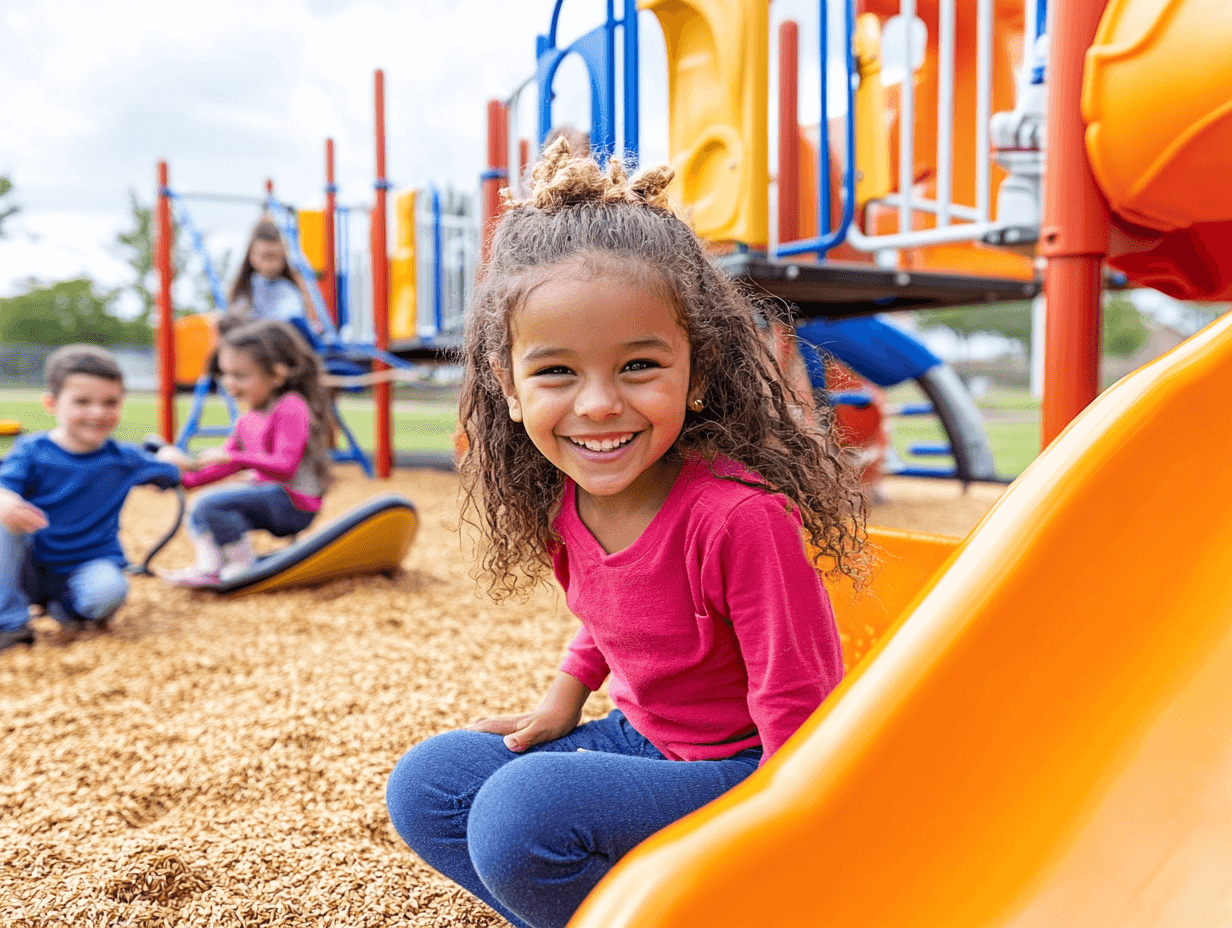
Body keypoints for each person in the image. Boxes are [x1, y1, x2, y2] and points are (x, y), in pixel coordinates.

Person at [384, 140, 869, 928]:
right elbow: (611, 616)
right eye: (556, 372)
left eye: (639, 365)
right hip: (644, 742)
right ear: (508, 388)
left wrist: (792, 842)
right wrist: (561, 700)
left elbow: (799, 701)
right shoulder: (564, 501)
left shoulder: (739, 518)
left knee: (521, 816)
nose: (599, 404)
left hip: (747, 770)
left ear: (698, 373)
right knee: (430, 784)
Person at [0, 345, 181, 652]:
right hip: (29, 564)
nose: (97, 413)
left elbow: (173, 473)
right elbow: (5, 488)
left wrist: (169, 456)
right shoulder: (32, 450)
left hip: (87, 563)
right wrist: (6, 501)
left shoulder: (125, 458)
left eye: (110, 402)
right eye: (82, 402)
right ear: (52, 403)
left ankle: (65, 608)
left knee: (110, 592)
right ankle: (10, 624)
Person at [160, 319, 334, 588]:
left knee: (212, 503)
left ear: (277, 375)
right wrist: (180, 479)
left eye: (240, 375)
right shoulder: (247, 418)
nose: (229, 383)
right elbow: (223, 467)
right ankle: (210, 568)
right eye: (225, 374)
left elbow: (285, 466)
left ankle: (243, 565)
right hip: (269, 495)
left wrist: (234, 458)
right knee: (199, 510)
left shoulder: (291, 406)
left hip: (294, 503)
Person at [225, 218, 317, 328]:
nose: (269, 265)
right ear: (251, 254)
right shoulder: (243, 288)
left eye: (275, 257)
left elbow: (311, 319)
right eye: (264, 257)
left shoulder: (295, 287)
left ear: (284, 255)